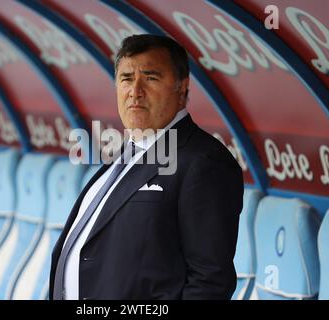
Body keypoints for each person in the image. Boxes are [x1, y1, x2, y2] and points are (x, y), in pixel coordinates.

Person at [49, 34, 244, 300]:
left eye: (151, 78)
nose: (135, 91)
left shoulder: (204, 161)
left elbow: (210, 282)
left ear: (182, 87)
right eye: (126, 79)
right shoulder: (129, 152)